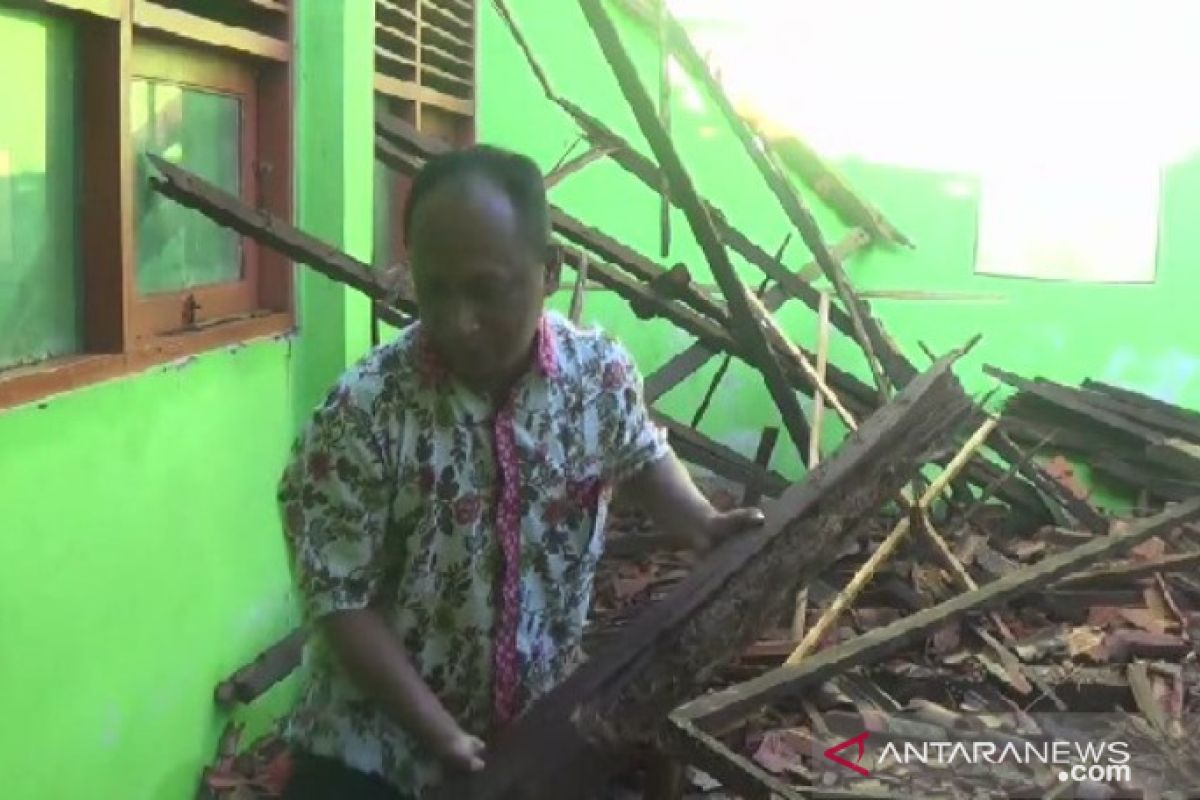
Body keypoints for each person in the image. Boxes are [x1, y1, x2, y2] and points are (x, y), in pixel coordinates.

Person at [276, 144, 765, 799]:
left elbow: (638, 453)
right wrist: (439, 735)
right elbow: (340, 602)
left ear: (551, 271)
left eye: (486, 289)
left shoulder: (598, 376)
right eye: (434, 289)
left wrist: (700, 522)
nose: (458, 321)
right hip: (377, 752)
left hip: (538, 731)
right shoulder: (361, 414)